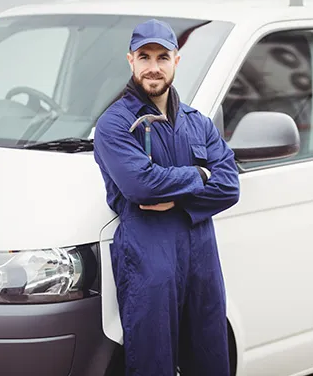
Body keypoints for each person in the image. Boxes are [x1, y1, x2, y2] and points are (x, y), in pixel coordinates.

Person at [93, 19, 240, 376]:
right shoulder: (114, 125)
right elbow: (141, 186)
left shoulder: (197, 122)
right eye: (145, 57)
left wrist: (177, 196)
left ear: (177, 60)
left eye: (162, 56)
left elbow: (230, 185)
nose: (153, 67)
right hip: (149, 258)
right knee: (152, 361)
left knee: (210, 357)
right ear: (131, 61)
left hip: (202, 258)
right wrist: (201, 175)